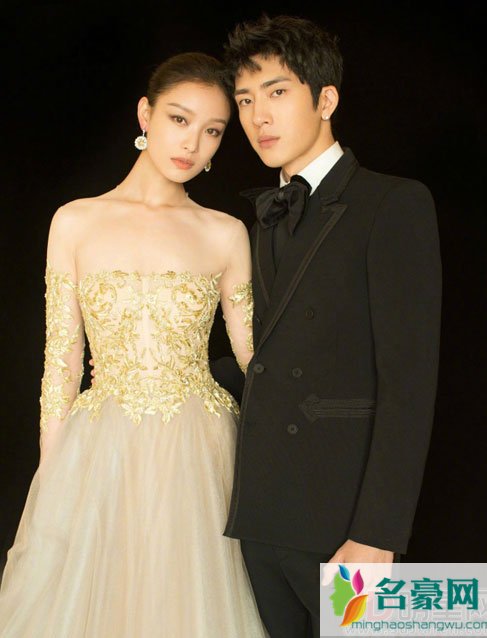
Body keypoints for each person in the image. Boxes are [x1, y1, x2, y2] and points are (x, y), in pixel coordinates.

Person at [0, 52, 268, 638]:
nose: (191, 143)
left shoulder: (225, 232)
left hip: (200, 450)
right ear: (146, 114)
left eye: (212, 131)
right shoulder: (75, 222)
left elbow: (257, 360)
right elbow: (61, 363)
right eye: (179, 119)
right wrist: (54, 481)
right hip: (102, 448)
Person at [219, 14, 442, 637]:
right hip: (259, 518)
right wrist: (157, 365)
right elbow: (268, 358)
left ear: (326, 99)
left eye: (277, 92)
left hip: (343, 524)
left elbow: (410, 384)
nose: (258, 117)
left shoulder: (392, 203)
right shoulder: (262, 218)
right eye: (245, 100)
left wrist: (378, 533)